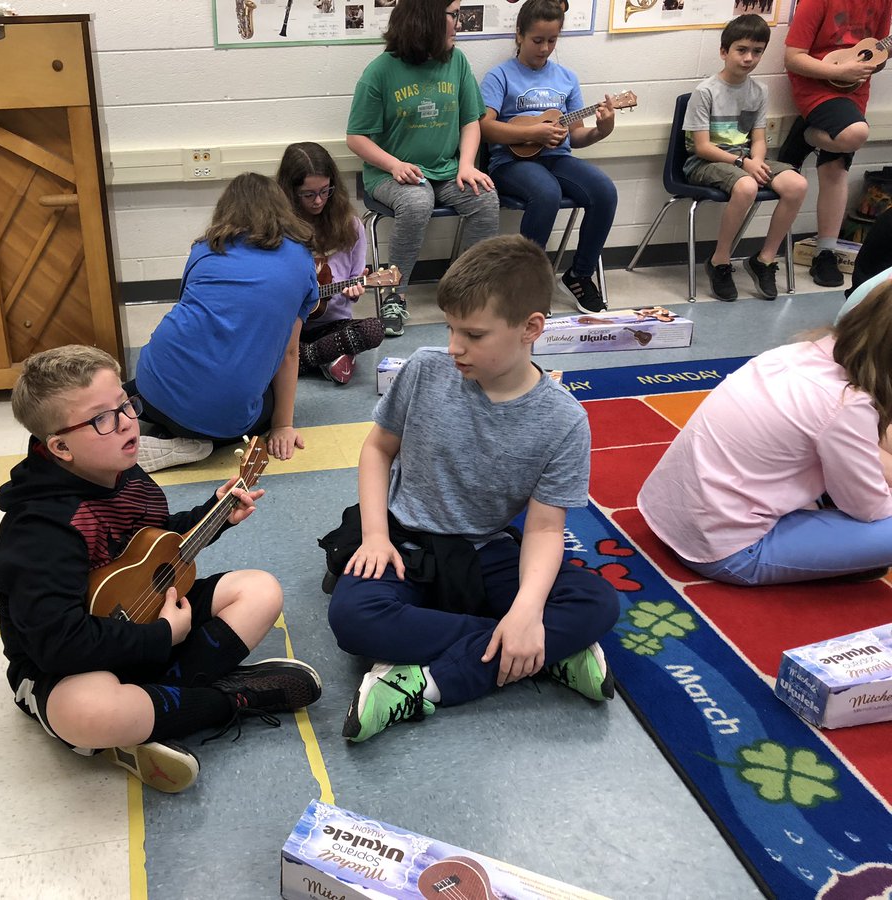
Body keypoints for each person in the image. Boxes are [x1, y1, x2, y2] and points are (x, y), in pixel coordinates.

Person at [322, 235, 620, 743]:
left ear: (531, 329)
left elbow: (546, 528)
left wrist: (526, 609)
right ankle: (544, 653)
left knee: (598, 602)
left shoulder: (564, 420)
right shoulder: (424, 369)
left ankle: (425, 683)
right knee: (352, 618)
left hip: (485, 550)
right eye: (450, 328)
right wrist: (375, 536)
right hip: (405, 544)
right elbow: (377, 451)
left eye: (475, 334)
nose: (456, 346)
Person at [0, 345, 322, 793]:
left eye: (124, 404)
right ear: (60, 447)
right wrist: (164, 637)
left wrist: (217, 513)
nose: (127, 421)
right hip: (69, 663)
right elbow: (57, 645)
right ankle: (229, 698)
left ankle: (152, 711)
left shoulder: (127, 475)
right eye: (101, 419)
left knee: (260, 590)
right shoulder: (39, 532)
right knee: (86, 712)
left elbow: (152, 546)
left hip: (147, 620)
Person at [638, 283, 892, 586]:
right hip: (728, 551)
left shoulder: (795, 353)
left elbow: (863, 440)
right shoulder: (846, 405)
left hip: (670, 516)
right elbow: (869, 508)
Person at [127, 173, 318, 473]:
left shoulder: (204, 248)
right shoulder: (301, 258)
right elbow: (289, 353)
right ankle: (200, 443)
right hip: (223, 422)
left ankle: (142, 420)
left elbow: (191, 316)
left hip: (151, 389)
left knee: (181, 373)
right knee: (264, 398)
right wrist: (283, 425)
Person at [346, 0, 499, 338]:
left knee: (485, 197)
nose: (460, 22)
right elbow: (355, 137)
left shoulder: (457, 61)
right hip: (389, 174)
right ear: (427, 19)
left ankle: (467, 292)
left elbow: (471, 121)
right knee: (417, 201)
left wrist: (467, 165)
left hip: (445, 169)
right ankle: (395, 295)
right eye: (454, 15)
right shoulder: (380, 71)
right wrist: (394, 164)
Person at [478, 0, 617, 315]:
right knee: (546, 193)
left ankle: (579, 274)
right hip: (511, 163)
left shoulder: (566, 78)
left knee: (604, 191)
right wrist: (532, 134)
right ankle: (527, 284)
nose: (544, 48)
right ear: (519, 36)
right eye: (537, 40)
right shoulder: (499, 76)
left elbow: (578, 136)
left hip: (557, 159)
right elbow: (485, 128)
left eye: (551, 41)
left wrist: (601, 130)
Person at [683, 15, 809, 301]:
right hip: (706, 162)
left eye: (757, 51)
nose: (749, 58)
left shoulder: (759, 91)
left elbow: (759, 139)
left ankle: (764, 259)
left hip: (744, 158)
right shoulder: (705, 92)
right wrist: (744, 165)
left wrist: (757, 161)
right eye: (742, 50)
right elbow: (701, 147)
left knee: (797, 185)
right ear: (724, 51)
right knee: (747, 186)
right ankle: (720, 260)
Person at [777, 0, 892, 287]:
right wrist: (838, 72)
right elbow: (793, 58)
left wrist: (869, 63)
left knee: (836, 167)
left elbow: (878, 48)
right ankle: (806, 135)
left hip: (854, 90)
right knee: (855, 134)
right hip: (816, 87)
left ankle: (825, 252)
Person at [276, 142, 385, 385]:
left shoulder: (351, 226)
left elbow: (353, 284)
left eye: (325, 191)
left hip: (332, 324)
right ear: (290, 192)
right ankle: (327, 357)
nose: (318, 200)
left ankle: (297, 360)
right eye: (308, 194)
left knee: (372, 330)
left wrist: (354, 292)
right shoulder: (277, 228)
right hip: (287, 325)